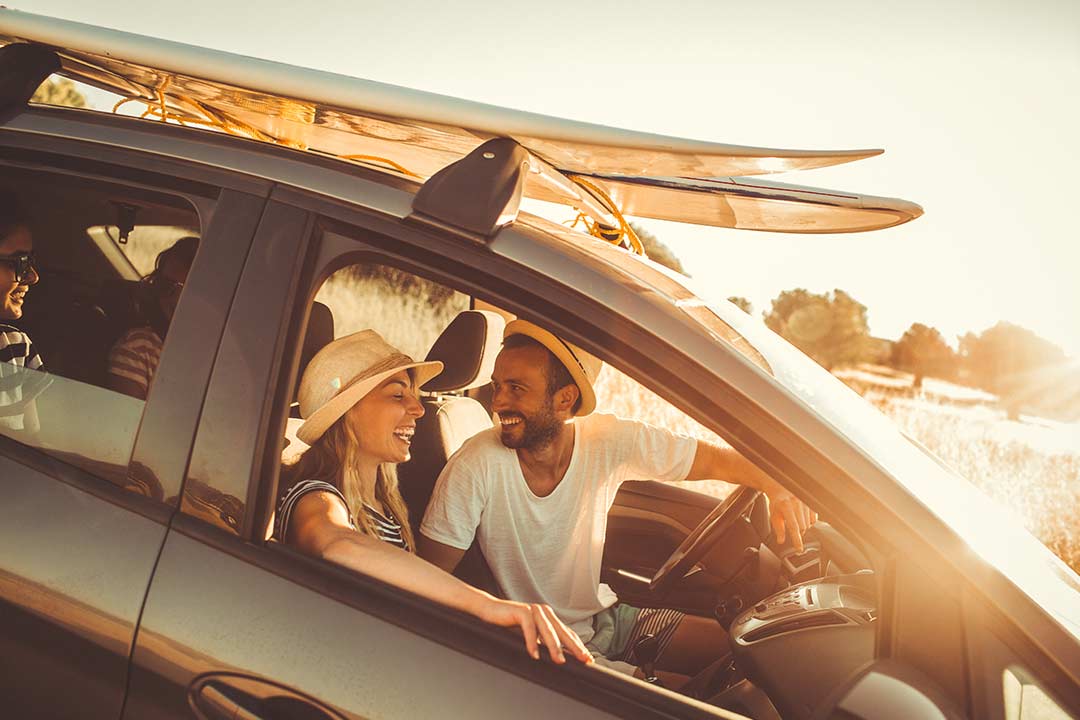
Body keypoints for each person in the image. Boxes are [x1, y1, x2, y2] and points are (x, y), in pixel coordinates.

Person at [418, 320, 816, 679]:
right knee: (703, 700)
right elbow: (427, 583)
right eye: (498, 386)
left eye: (516, 388)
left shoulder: (607, 440)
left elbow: (715, 460)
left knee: (744, 651)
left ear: (564, 399)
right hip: (548, 647)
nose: (499, 401)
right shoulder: (475, 465)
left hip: (606, 619)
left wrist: (777, 485)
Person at [277, 328, 592, 664]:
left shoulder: (385, 507)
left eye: (414, 395)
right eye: (398, 396)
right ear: (347, 412)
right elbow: (336, 544)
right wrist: (486, 606)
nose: (418, 409)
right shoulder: (316, 497)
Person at [106, 235, 198, 400]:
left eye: (189, 289)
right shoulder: (139, 347)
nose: (174, 298)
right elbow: (126, 422)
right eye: (166, 285)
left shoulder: (223, 355)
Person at [0, 191, 47, 432]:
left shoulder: (18, 347)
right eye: (20, 263)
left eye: (30, 262)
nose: (32, 276)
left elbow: (32, 443)